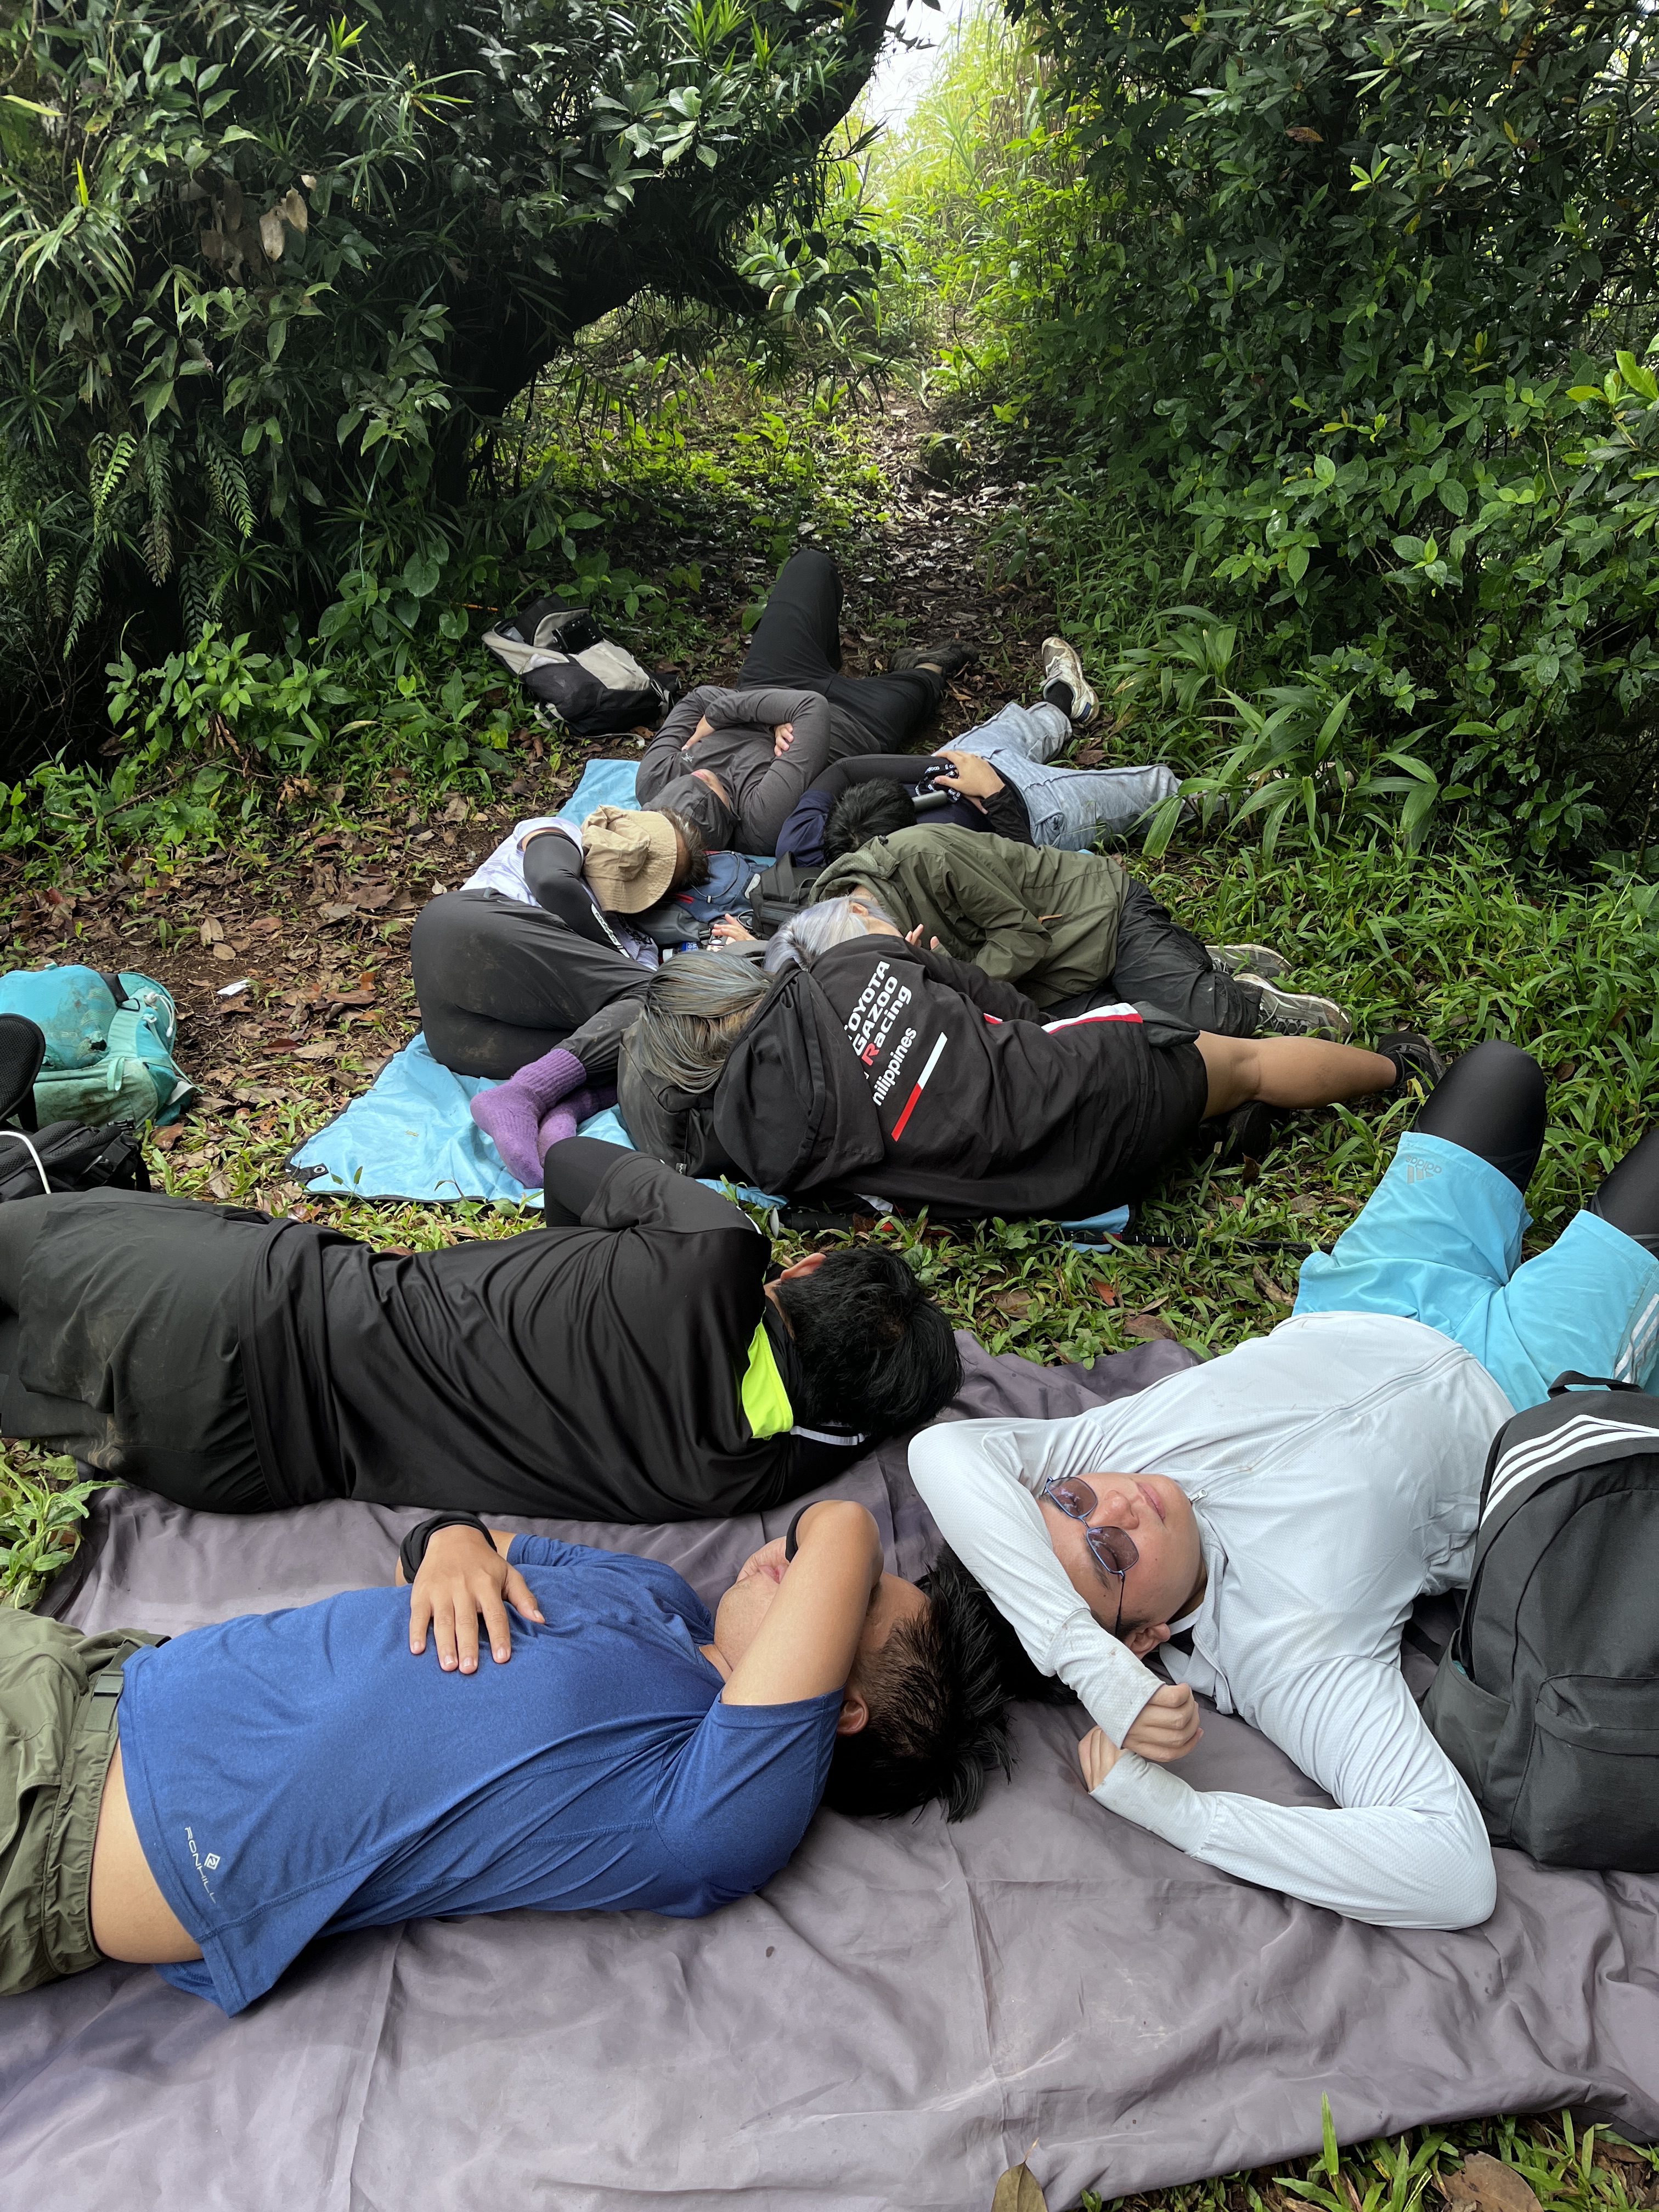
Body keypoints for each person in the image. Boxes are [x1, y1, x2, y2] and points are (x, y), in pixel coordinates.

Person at [907, 1039, 1659, 1928]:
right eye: (1110, 1555)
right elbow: (1451, 1872)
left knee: (1501, 1075)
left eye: (1073, 1500)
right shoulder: (1282, 1657)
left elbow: (941, 1454)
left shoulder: (1104, 1447)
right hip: (1524, 1384)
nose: (1117, 1505)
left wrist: (1079, 1654)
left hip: (1378, 1289)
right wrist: (1189, 1816)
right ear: (1143, 1640)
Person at [0, 1498, 1014, 2008]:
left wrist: (854, 1548)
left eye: (852, 1595)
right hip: (97, 1673)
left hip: (62, 1822)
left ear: (836, 1707)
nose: (799, 1556)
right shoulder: (655, 1596)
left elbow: (841, 1527)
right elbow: (457, 1549)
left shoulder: (713, 1812)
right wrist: (449, 1541)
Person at [0, 1137, 961, 1520]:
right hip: (232, 1468)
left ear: (803, 1270)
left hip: (243, 1300)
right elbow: (844, 1436)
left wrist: (574, 1266)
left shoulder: (713, 1250)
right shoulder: (750, 1477)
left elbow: (572, 1160)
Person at [614, 917, 1441, 1222]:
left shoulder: (764, 1162)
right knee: (1250, 1063)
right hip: (1109, 1084)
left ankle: (1213, 1116)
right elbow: (1002, 1004)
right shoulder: (848, 964)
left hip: (1059, 1197)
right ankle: (1397, 1070)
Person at [804, 824, 1348, 1035]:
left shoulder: (925, 855)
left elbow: (1022, 938)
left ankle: (1251, 1000)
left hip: (1100, 919)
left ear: (864, 912)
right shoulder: (828, 926)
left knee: (1209, 1022)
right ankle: (1194, 961)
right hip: (1043, 984)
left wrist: (947, 974)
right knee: (1142, 1040)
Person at [635, 546, 973, 853]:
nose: (701, 776)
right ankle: (924, 665)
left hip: (769, 683)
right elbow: (811, 708)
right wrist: (739, 713)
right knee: (922, 685)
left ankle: (825, 660)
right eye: (711, 790)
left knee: (810, 565)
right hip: (853, 723)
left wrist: (754, 717)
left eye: (691, 779)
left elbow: (700, 699)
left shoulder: (653, 779)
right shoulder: (760, 824)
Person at [412, 802, 709, 1080]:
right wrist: (615, 960)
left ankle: (528, 1094)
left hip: (462, 1040)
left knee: (645, 1040)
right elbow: (551, 882)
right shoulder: (563, 835)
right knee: (658, 999)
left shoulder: (638, 941)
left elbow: (633, 1016)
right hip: (470, 927)